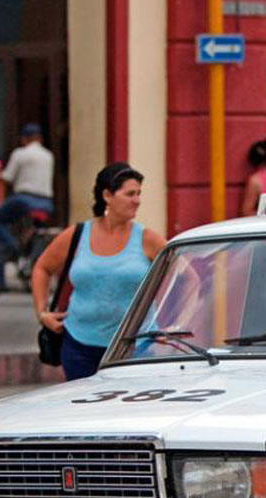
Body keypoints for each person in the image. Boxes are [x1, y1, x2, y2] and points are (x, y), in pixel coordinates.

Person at [31, 163, 167, 381]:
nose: (137, 200)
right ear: (107, 195)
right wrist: (41, 312)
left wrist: (170, 322)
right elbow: (42, 268)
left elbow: (186, 277)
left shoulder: (148, 239)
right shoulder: (76, 235)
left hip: (134, 348)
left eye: (139, 194)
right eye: (130, 194)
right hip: (79, 346)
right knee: (86, 413)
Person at [0, 123, 54, 289]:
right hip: (46, 203)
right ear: (39, 139)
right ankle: (29, 258)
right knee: (38, 231)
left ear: (24, 139)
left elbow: (8, 177)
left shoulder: (20, 154)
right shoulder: (48, 156)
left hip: (24, 199)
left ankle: (12, 246)